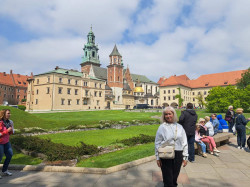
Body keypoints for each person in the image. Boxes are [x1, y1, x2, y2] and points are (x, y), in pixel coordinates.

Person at [155, 106, 188, 187]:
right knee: (167, 178)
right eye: (166, 114)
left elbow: (184, 142)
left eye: (170, 114)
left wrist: (185, 157)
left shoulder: (179, 127)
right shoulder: (162, 127)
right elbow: (157, 143)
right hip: (166, 153)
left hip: (178, 153)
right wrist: (157, 158)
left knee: (174, 177)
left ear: (173, 114)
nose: (168, 116)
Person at [0, 109, 14, 179]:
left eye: (9, 113)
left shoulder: (9, 122)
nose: (9, 114)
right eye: (8, 113)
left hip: (6, 141)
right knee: (0, 157)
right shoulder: (0, 122)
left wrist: (11, 131)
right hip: (0, 142)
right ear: (4, 114)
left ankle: (4, 170)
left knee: (10, 154)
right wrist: (6, 131)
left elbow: (11, 132)